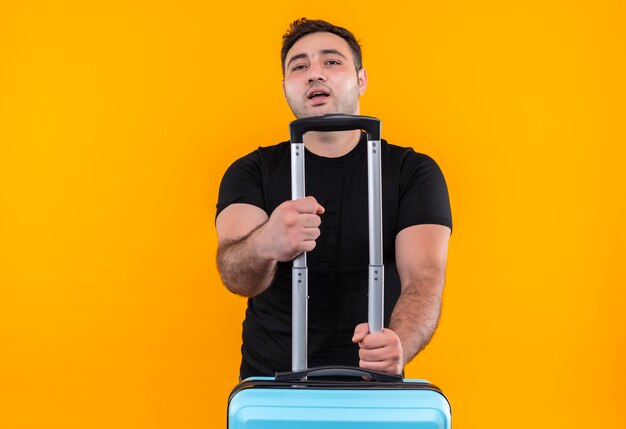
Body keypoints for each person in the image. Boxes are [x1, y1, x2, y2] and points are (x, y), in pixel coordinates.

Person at [215, 18, 452, 379]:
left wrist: (398, 343)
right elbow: (236, 275)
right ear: (285, 87)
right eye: (299, 66)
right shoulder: (251, 170)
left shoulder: (413, 171)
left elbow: (424, 278)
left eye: (331, 61)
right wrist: (267, 242)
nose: (314, 74)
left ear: (361, 79)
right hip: (272, 382)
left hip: (372, 381)